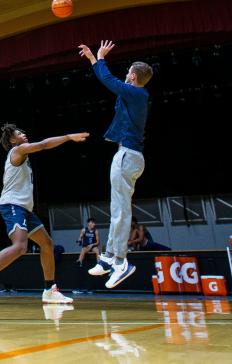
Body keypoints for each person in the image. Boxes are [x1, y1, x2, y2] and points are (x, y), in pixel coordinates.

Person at [0, 124, 88, 305]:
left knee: (47, 244)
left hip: (24, 208)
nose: (24, 134)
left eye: (24, 132)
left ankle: (50, 290)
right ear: (12, 140)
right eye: (19, 133)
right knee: (20, 246)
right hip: (12, 205)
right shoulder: (18, 150)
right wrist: (68, 136)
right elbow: (43, 145)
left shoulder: (22, 154)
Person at [77, 40, 153, 289]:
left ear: (133, 75)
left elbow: (109, 81)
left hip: (128, 156)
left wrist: (99, 58)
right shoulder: (134, 95)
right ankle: (109, 256)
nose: (126, 74)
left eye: (129, 71)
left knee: (121, 210)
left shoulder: (136, 92)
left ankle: (121, 262)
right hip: (128, 155)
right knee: (117, 208)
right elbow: (110, 82)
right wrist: (92, 59)